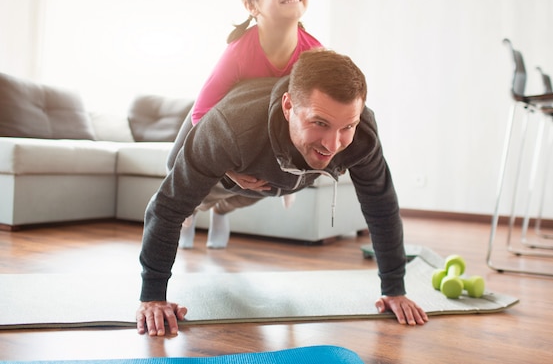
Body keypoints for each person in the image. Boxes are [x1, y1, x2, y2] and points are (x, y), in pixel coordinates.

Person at [136, 49, 429, 337]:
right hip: (227, 166)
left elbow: (381, 204)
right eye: (320, 123)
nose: (332, 144)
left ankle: (223, 211)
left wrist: (394, 289)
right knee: (189, 204)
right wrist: (152, 296)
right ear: (288, 107)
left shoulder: (362, 137)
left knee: (247, 196)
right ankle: (203, 211)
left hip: (271, 181)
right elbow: (166, 208)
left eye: (347, 126)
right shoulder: (230, 128)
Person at [174, 0, 323, 249]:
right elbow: (202, 113)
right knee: (174, 165)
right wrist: (227, 170)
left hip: (263, 130)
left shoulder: (314, 55)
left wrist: (297, 162)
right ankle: (184, 214)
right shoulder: (240, 51)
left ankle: (222, 212)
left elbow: (316, 114)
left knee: (265, 185)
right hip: (217, 123)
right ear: (252, 5)